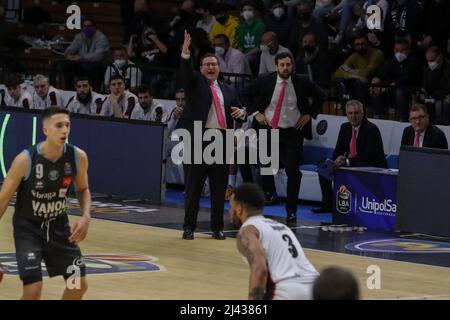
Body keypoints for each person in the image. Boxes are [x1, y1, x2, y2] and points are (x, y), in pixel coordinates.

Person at [0, 107, 91, 299]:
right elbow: (2, 201)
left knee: (77, 285)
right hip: (28, 231)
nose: (64, 130)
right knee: (33, 290)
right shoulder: (25, 160)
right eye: (59, 125)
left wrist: (86, 215)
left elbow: (83, 189)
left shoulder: (78, 157)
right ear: (45, 130)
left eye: (67, 125)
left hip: (60, 230)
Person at [241, 52, 324, 225]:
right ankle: (264, 203)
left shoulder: (302, 81)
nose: (285, 68)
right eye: (282, 65)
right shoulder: (265, 80)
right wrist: (256, 113)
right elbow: (244, 93)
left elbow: (320, 95)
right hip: (268, 129)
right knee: (264, 167)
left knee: (293, 171)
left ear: (292, 65)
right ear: (276, 66)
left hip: (292, 132)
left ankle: (291, 211)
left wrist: (309, 114)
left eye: (288, 64)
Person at [179, 31, 245, 240]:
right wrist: (185, 53)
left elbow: (239, 111)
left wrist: (242, 113)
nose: (210, 67)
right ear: (200, 69)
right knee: (194, 188)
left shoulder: (228, 90)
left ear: (219, 68)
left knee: (219, 190)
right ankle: (189, 227)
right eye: (206, 64)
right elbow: (186, 74)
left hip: (221, 142)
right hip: (199, 140)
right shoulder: (195, 85)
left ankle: (217, 227)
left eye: (213, 64)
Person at [230, 183, 319, 300]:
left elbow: (259, 269)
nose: (230, 211)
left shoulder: (247, 231)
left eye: (231, 207)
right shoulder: (280, 226)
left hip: (288, 290)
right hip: (317, 286)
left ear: (239, 209)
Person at [312, 100, 387, 213]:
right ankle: (327, 204)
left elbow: (368, 156)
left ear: (362, 113)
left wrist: (347, 161)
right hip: (350, 163)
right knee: (324, 168)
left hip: (370, 164)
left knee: (355, 166)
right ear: (346, 115)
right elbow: (338, 150)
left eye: (356, 113)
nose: (353, 116)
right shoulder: (345, 127)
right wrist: (336, 159)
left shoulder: (371, 129)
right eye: (350, 113)